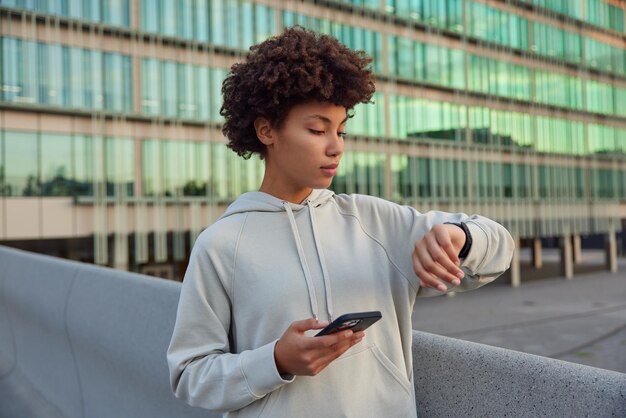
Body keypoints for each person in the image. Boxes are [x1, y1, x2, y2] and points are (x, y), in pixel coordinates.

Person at [167, 27, 515, 418]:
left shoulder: (374, 221)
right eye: (317, 130)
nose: (336, 146)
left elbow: (499, 248)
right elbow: (190, 374)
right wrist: (276, 361)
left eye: (341, 130)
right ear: (266, 131)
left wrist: (459, 238)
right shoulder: (221, 244)